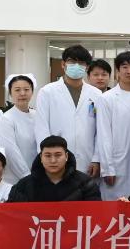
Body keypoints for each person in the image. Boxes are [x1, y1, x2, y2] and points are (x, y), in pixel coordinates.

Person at [6, 136, 103, 249]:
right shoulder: (25, 185)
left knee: (90, 243)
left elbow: (95, 215)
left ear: (66, 156)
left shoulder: (85, 182)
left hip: (75, 239)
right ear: (40, 157)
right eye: (48, 155)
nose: (53, 160)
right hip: (40, 240)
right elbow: (11, 214)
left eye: (58, 155)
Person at [34, 44, 102, 175]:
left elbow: (100, 131)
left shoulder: (96, 94)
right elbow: (41, 128)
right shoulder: (47, 92)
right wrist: (47, 157)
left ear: (87, 67)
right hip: (56, 161)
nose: (76, 66)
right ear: (63, 64)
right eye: (72, 61)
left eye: (81, 62)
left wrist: (97, 158)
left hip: (88, 160)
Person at [97, 51, 130, 201]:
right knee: (115, 204)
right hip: (116, 161)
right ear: (118, 71)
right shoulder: (106, 98)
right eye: (125, 67)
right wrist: (107, 168)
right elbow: (104, 134)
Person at [0, 74, 37, 186]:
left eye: (26, 89)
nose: (22, 93)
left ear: (32, 92)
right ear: (10, 93)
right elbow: (10, 151)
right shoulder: (6, 119)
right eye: (17, 90)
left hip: (38, 174)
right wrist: (26, 176)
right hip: (16, 178)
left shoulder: (37, 115)